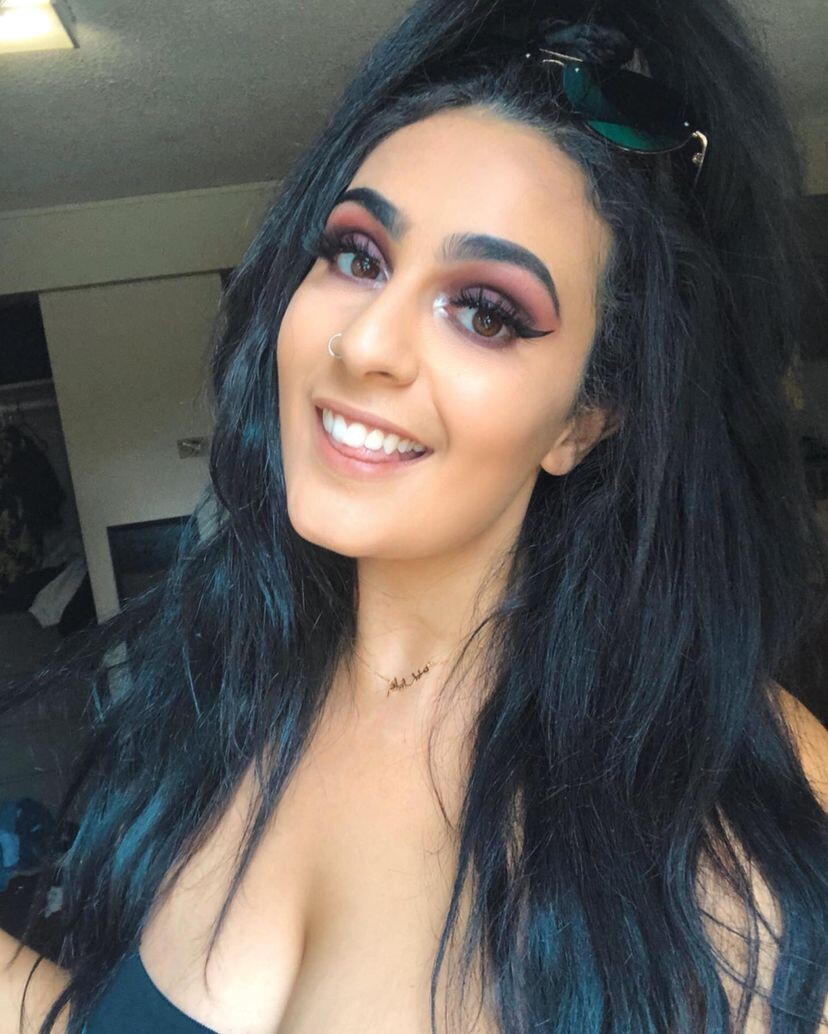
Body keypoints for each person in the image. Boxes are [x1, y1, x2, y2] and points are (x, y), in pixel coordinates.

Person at [2, 0, 828, 1030]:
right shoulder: (222, 686)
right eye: (357, 256)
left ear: (586, 418)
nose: (364, 344)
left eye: (484, 311)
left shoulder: (735, 791)